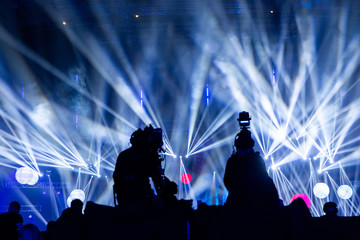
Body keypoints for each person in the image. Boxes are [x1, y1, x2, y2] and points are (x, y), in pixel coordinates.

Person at [113, 125, 179, 208]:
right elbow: (158, 180)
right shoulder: (148, 156)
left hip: (123, 199)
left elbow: (116, 177)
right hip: (142, 199)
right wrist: (169, 187)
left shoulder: (123, 155)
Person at [223, 112, 279, 207]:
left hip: (237, 205)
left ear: (236, 144)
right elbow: (265, 181)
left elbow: (227, 181)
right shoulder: (257, 160)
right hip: (258, 205)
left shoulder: (233, 161)